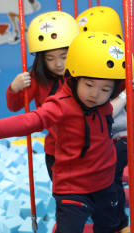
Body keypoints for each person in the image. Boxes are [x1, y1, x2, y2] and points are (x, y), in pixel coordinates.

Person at [0, 31, 132, 233]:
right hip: (74, 189)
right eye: (89, 85)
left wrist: (128, 89)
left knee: (108, 226)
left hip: (105, 183)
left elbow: (116, 99)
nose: (95, 94)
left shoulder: (104, 102)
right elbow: (32, 120)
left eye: (105, 89)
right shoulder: (61, 104)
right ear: (73, 76)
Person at [76, 6, 134, 233]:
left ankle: (119, 222)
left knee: (110, 177)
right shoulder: (85, 61)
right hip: (101, 132)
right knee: (96, 177)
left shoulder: (125, 58)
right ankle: (109, 217)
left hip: (125, 130)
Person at [6, 11, 80, 180]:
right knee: (61, 193)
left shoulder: (83, 75)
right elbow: (15, 106)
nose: (58, 64)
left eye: (64, 56)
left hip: (84, 147)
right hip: (55, 148)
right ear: (41, 58)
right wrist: (14, 88)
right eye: (50, 58)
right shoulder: (37, 78)